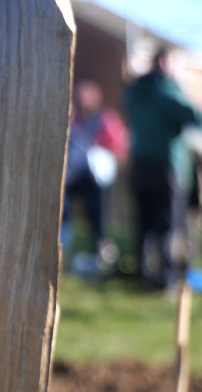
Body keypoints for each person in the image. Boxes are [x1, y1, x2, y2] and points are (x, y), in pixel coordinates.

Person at [124, 48, 201, 290]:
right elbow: (197, 116)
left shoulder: (134, 92)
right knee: (169, 224)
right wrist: (183, 87)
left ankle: (144, 275)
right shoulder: (167, 91)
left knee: (144, 223)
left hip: (139, 164)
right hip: (166, 166)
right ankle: (167, 278)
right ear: (164, 62)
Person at [63, 80, 129, 271]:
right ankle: (63, 247)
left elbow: (120, 147)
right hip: (74, 176)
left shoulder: (106, 120)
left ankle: (101, 250)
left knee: (98, 214)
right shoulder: (73, 120)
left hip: (97, 180)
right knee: (64, 209)